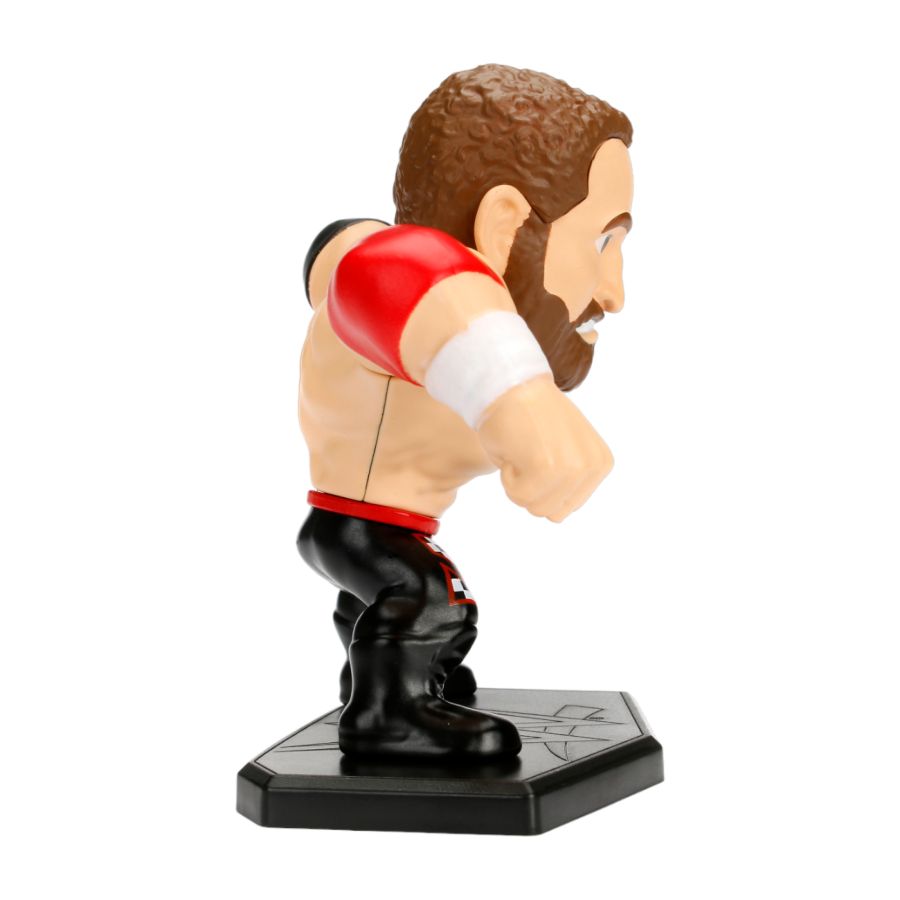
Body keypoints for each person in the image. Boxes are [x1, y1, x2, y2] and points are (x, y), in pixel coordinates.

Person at [297, 64, 634, 759]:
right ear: (505, 225)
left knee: (394, 604)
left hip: (378, 528)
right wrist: (520, 397)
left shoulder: (420, 322)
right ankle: (389, 718)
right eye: (602, 242)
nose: (615, 292)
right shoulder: (394, 277)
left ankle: (397, 684)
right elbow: (394, 272)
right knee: (436, 601)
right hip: (362, 527)